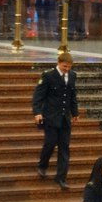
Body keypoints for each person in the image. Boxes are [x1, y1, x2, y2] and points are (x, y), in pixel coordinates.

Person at [33, 52, 78, 190]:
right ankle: (43, 165)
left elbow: (72, 95)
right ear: (59, 62)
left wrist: (74, 112)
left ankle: (61, 177)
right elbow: (38, 96)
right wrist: (38, 112)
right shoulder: (48, 75)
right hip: (51, 117)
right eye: (65, 66)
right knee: (50, 143)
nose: (67, 69)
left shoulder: (72, 75)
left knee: (64, 148)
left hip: (65, 118)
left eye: (69, 67)